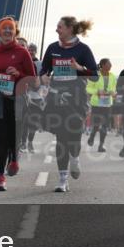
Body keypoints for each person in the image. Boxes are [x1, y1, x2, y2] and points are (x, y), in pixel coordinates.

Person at [40, 16, 97, 192]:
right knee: (61, 139)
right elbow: (44, 69)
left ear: (70, 29)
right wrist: (43, 76)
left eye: (60, 27)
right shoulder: (52, 48)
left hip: (76, 100)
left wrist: (80, 68)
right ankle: (63, 180)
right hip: (57, 99)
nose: (57, 30)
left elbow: (94, 75)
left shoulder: (83, 49)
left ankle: (75, 158)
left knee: (74, 136)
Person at [0, 16, 37, 191]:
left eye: (10, 29)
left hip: (17, 102)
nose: (7, 31)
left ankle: (14, 159)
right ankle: (0, 177)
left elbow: (34, 81)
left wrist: (18, 73)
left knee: (14, 138)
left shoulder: (23, 52)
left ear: (15, 32)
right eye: (4, 29)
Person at [86, 59, 117, 153]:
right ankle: (92, 136)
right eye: (109, 64)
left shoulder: (112, 76)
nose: (111, 65)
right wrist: (97, 91)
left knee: (105, 125)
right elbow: (88, 88)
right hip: (97, 103)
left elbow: (114, 89)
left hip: (107, 104)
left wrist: (113, 93)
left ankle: (101, 145)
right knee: (96, 124)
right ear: (103, 65)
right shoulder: (95, 75)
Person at [19, 42, 43, 154]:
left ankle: (30, 142)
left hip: (37, 97)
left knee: (33, 122)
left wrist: (40, 85)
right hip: (25, 96)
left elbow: (44, 78)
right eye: (29, 49)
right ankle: (23, 142)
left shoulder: (40, 64)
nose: (31, 51)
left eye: (33, 50)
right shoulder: (22, 62)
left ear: (36, 51)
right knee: (24, 122)